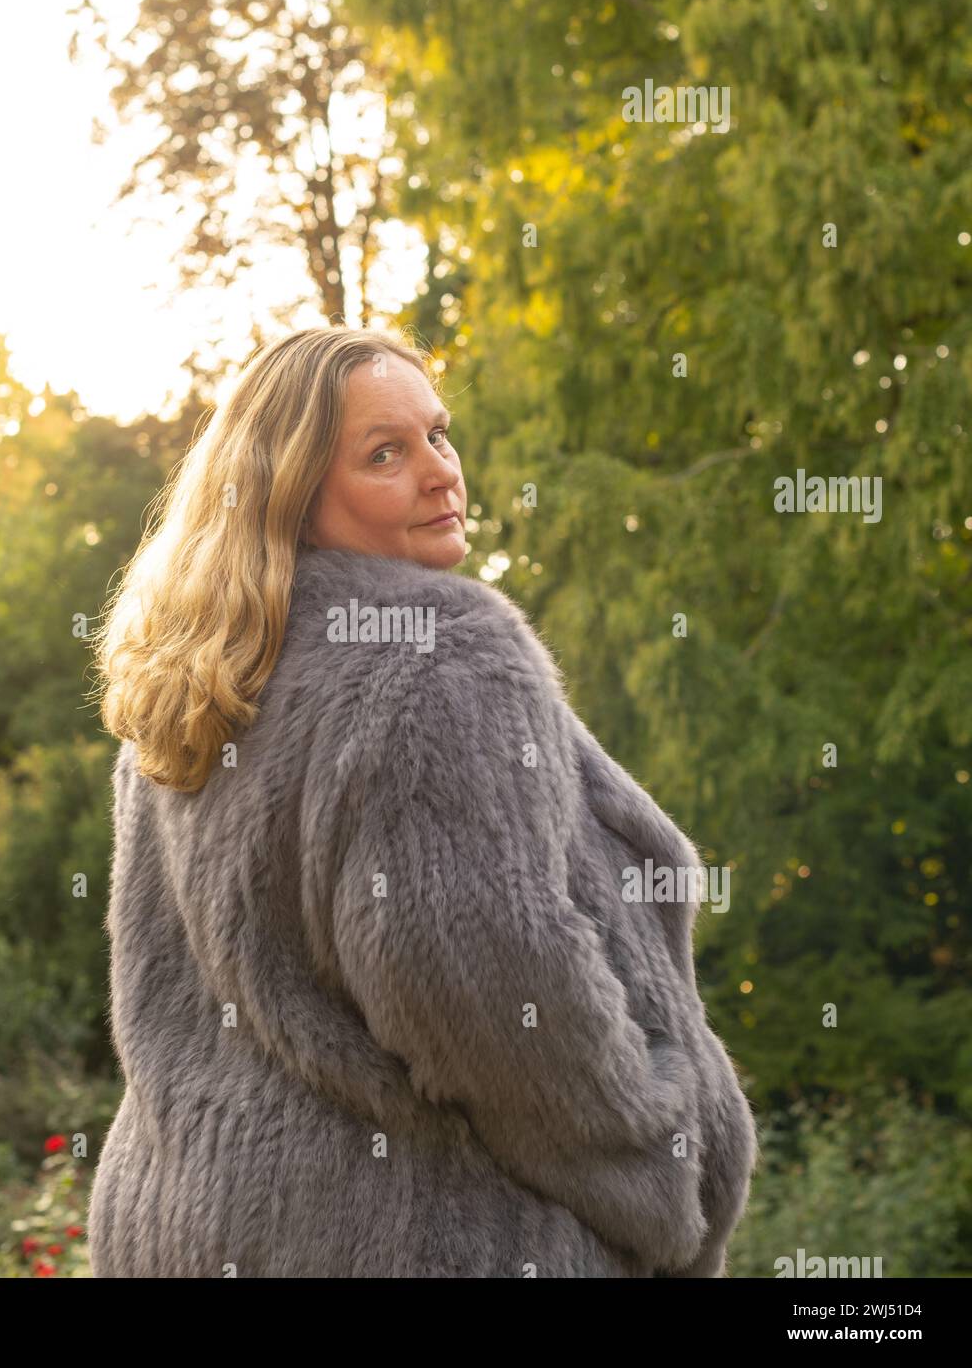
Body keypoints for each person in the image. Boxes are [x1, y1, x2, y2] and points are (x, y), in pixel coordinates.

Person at [86, 324, 758, 1277]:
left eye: (437, 435)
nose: (441, 473)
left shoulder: (190, 686)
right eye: (384, 454)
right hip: (425, 1238)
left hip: (186, 1230)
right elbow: (506, 1002)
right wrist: (663, 1183)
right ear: (294, 492)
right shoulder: (433, 660)